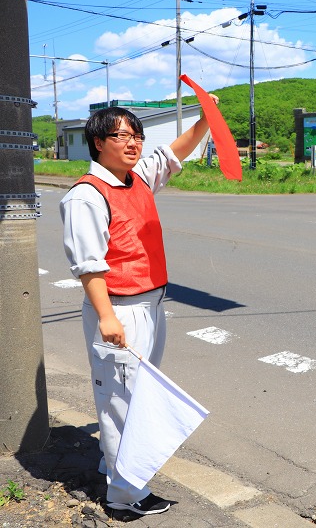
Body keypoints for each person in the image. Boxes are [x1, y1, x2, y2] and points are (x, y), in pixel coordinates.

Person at [60, 100, 216, 516]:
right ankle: (124, 495)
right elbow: (88, 265)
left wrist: (206, 121)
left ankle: (115, 464)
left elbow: (172, 153)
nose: (134, 143)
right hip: (119, 309)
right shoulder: (86, 195)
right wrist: (107, 317)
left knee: (136, 394)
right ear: (98, 142)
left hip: (150, 306)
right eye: (122, 136)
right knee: (120, 400)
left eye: (137, 136)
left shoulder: (136, 179)